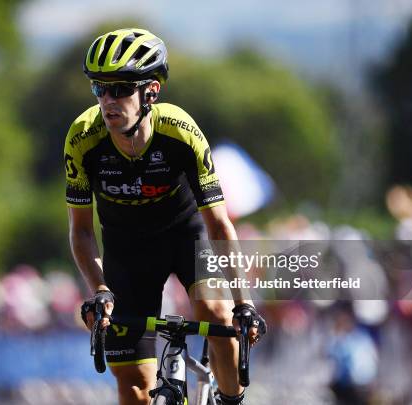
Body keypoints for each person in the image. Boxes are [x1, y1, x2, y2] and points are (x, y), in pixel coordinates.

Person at [65, 28, 266, 405]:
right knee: (135, 389)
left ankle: (229, 400)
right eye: (99, 89)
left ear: (151, 92)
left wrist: (245, 303)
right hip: (127, 252)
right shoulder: (83, 139)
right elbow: (80, 231)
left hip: (185, 237)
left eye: (121, 89)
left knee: (217, 311)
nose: (108, 100)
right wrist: (99, 290)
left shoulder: (181, 132)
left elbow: (219, 224)